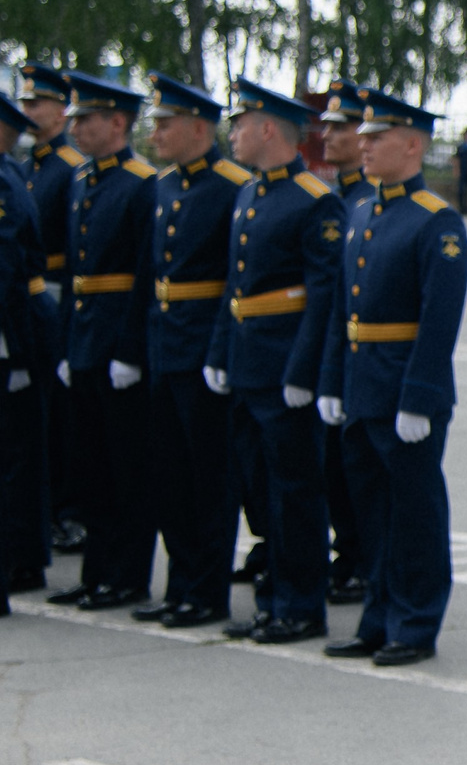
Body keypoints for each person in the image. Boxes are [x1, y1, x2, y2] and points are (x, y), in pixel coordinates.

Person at [317, 87, 467, 666]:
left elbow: (438, 320)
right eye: (365, 136)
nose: (363, 144)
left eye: (376, 137)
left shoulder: (436, 220)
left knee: (413, 512)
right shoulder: (361, 211)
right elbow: (341, 311)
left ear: (412, 144)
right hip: (362, 386)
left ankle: (416, 621)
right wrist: (333, 381)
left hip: (405, 390)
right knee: (371, 513)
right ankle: (379, 617)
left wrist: (420, 397)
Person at [208, 79, 343, 645]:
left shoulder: (314, 200)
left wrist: (301, 373)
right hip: (246, 364)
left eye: (239, 125)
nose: (232, 134)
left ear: (267, 129)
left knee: (294, 492)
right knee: (260, 491)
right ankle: (272, 599)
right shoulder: (250, 193)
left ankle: (302, 604)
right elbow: (236, 286)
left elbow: (323, 296)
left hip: (284, 370)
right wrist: (219, 352)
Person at [130, 74, 251, 629]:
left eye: (164, 123)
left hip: (203, 348)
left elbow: (235, 280)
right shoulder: (162, 186)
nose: (154, 133)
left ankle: (207, 589)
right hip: (164, 345)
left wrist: (220, 353)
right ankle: (181, 583)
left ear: (198, 127)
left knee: (209, 478)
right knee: (167, 474)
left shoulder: (232, 186)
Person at [45, 75, 157, 611]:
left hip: (117, 340)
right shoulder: (81, 179)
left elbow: (142, 277)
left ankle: (126, 574)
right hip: (85, 337)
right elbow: (74, 272)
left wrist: (130, 351)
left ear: (117, 123)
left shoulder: (141, 183)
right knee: (89, 463)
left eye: (85, 119)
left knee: (127, 466)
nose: (75, 127)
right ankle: (96, 573)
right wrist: (68, 344)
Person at [19, 64, 86, 559]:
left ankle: (68, 509)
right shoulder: (27, 168)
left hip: (60, 293)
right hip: (30, 295)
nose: (28, 112)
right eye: (24, 104)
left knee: (64, 412)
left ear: (61, 111)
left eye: (37, 104)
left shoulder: (70, 168)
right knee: (38, 412)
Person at [317, 83, 374, 603]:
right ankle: (346, 553)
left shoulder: (365, 201)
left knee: (350, 468)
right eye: (328, 125)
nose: (329, 135)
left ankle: (357, 556)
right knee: (331, 469)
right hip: (328, 354)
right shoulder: (339, 197)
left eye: (342, 126)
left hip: (360, 360)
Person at [0, 95, 49, 601]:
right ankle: (21, 559)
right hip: (14, 334)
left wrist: (14, 352)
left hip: (11, 335)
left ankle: (17, 561)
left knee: (13, 459)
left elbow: (6, 273)